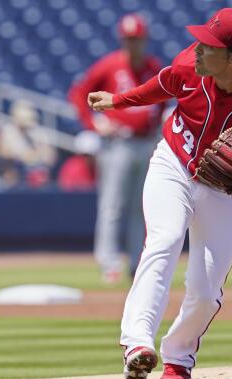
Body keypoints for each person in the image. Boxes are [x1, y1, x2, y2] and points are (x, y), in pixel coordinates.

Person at [87, 8, 232, 379]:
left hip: (228, 190)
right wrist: (119, 101)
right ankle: (137, 343)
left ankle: (177, 359)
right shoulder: (191, 63)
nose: (199, 48)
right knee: (165, 239)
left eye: (211, 45)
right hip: (173, 162)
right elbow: (163, 84)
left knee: (206, 291)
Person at [69, 13, 164, 283]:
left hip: (146, 141)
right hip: (118, 143)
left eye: (137, 39)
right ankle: (109, 263)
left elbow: (165, 98)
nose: (133, 44)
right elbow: (79, 94)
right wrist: (93, 123)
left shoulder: (152, 66)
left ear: (144, 39)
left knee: (141, 207)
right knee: (112, 205)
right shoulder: (110, 65)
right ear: (123, 40)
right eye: (129, 39)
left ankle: (137, 263)